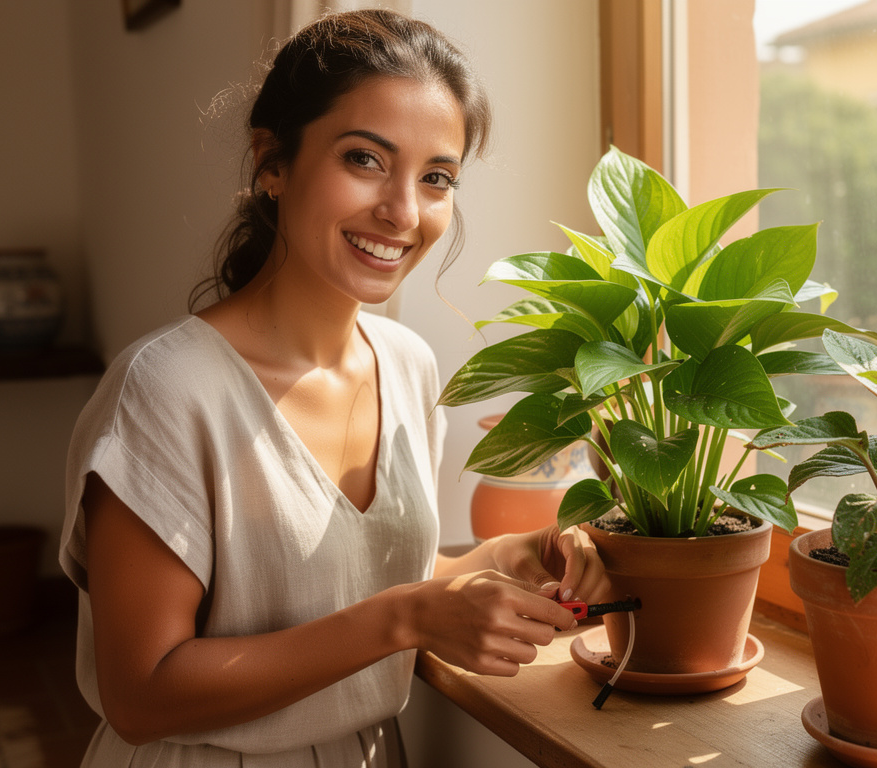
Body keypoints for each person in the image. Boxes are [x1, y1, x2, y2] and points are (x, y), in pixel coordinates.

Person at [58, 10, 605, 766]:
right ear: (271, 162)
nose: (404, 212)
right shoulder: (166, 390)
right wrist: (406, 619)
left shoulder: (407, 365)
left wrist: (515, 558)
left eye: (436, 177)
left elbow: (361, 583)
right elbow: (142, 693)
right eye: (365, 160)